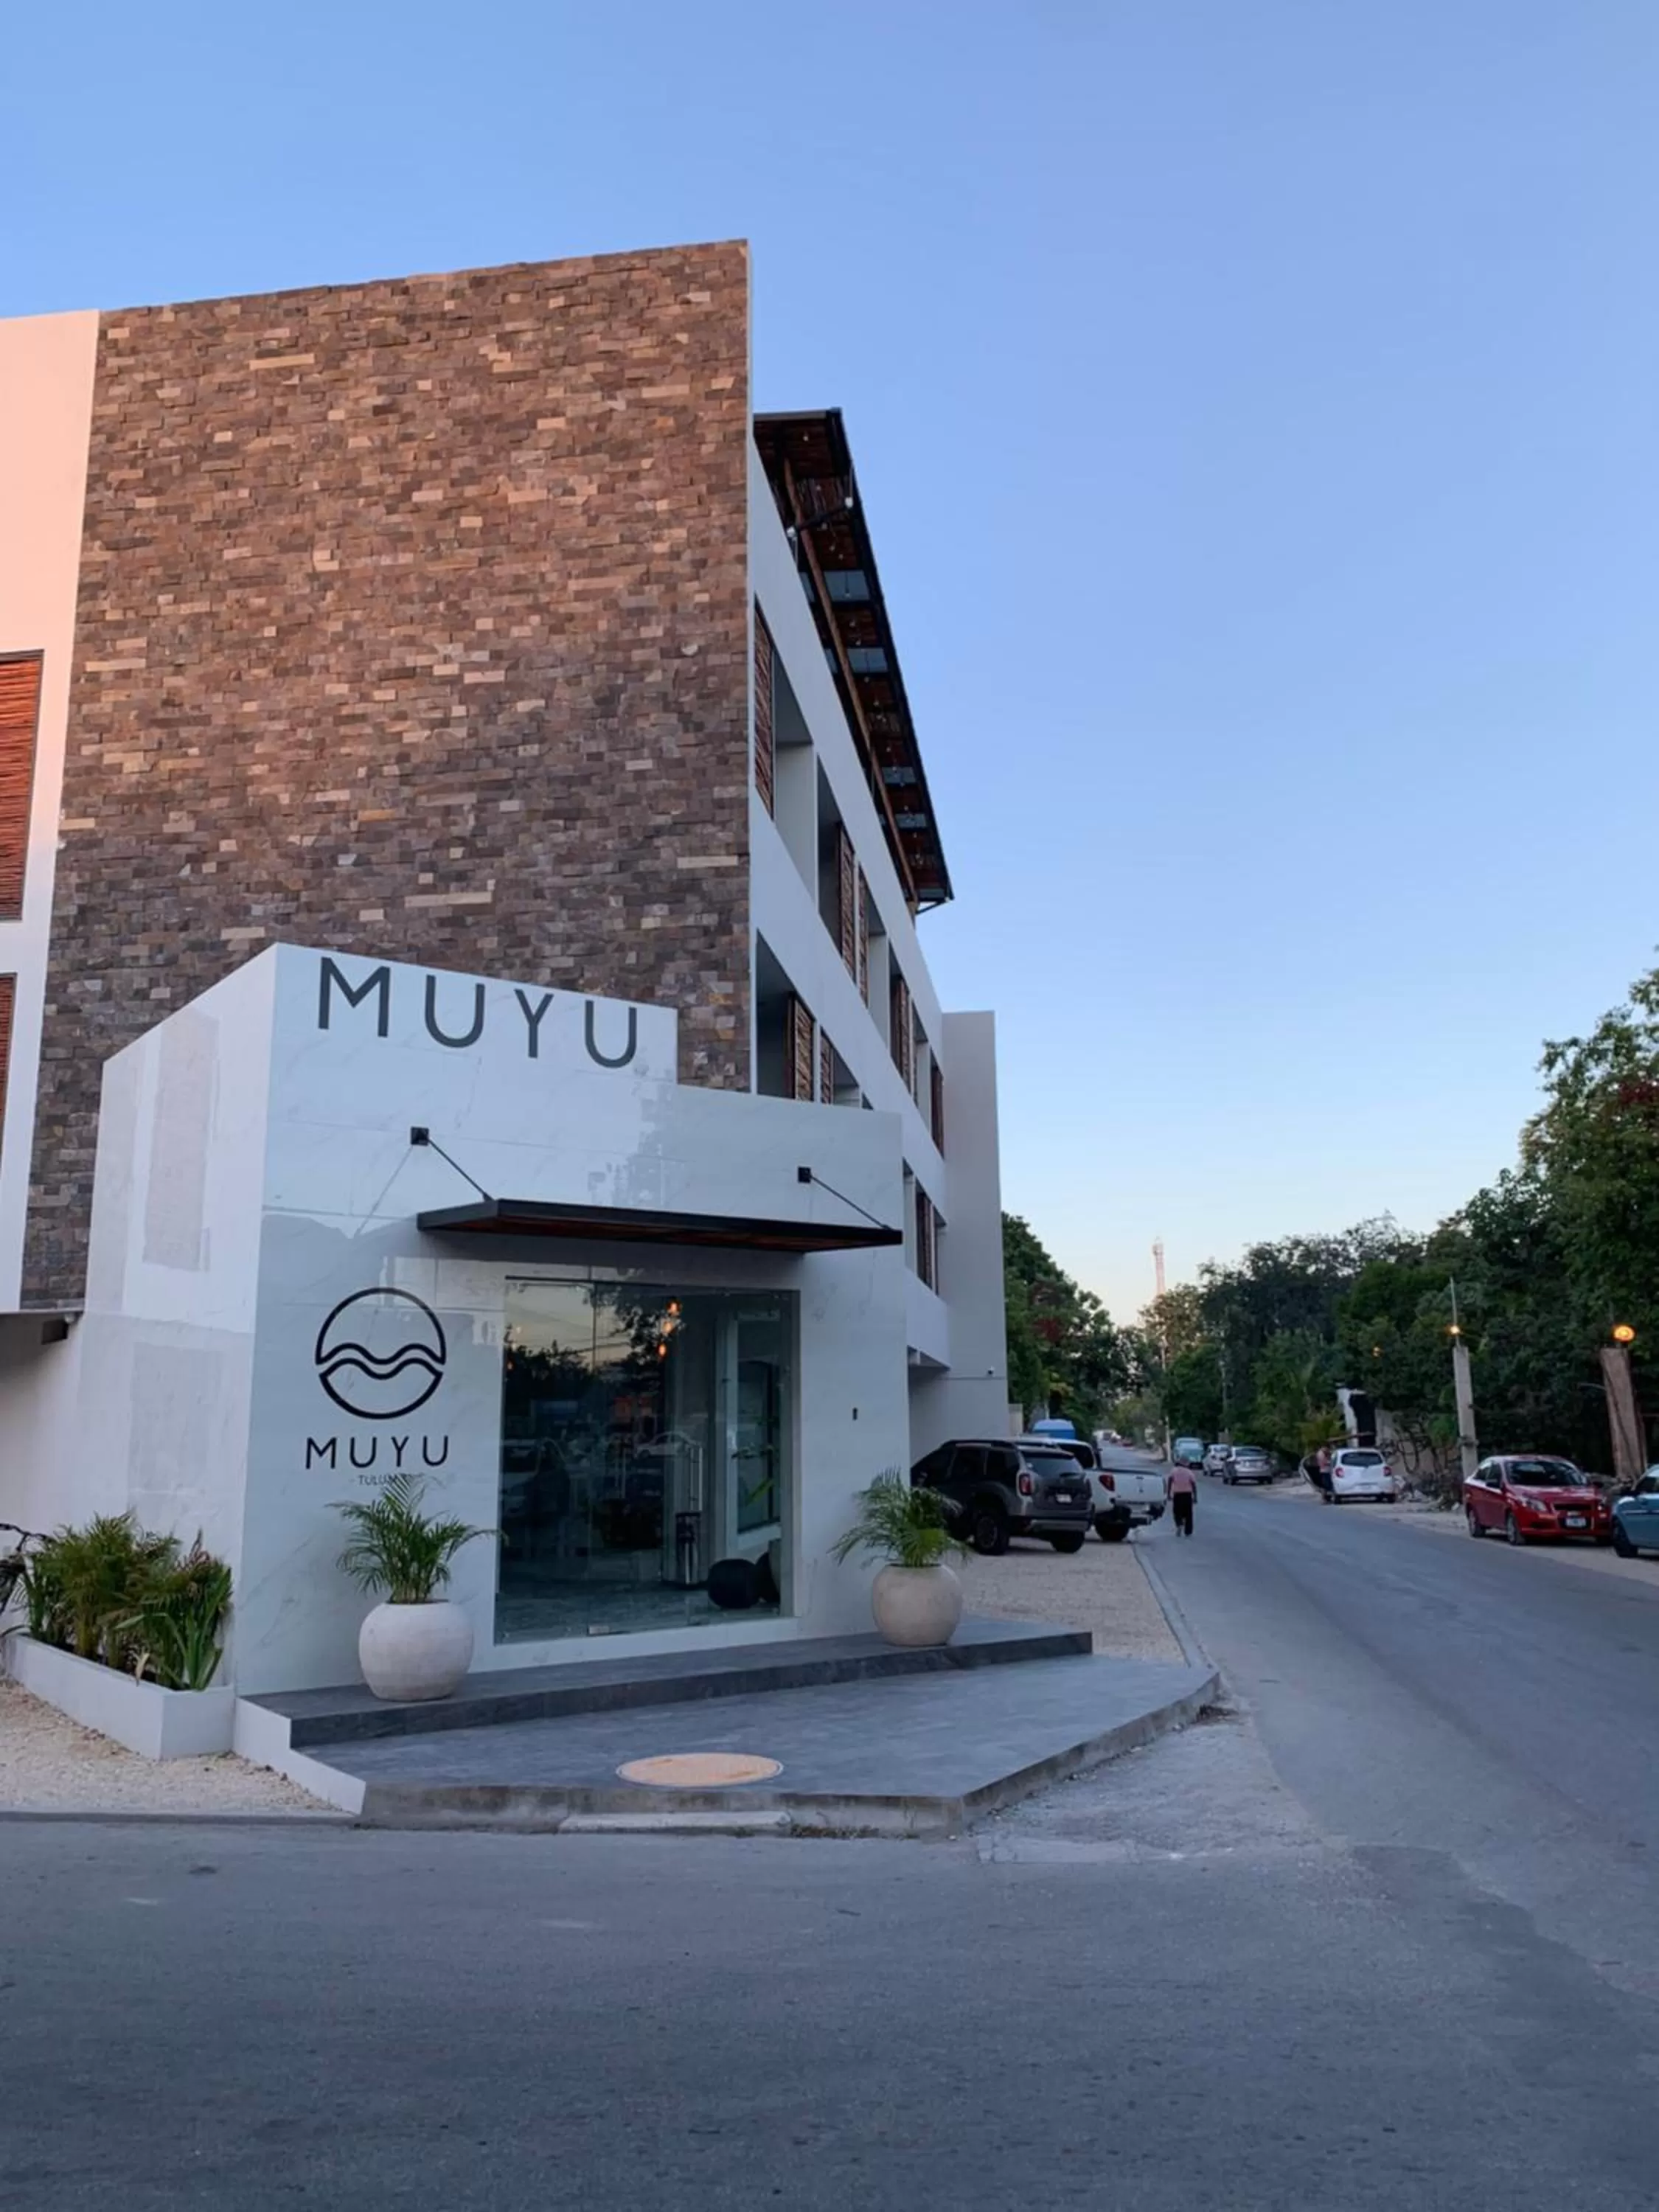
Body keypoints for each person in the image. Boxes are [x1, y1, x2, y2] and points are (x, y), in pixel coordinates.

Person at [1167, 1459, 1197, 1537]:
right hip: (1187, 1494)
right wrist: (1195, 1497)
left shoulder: (1174, 1471)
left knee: (1177, 1512)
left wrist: (1168, 1494)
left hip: (1177, 1494)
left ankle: (1179, 1524)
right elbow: (1193, 1484)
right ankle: (1188, 1531)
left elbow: (1170, 1481)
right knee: (1188, 1514)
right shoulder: (1189, 1472)